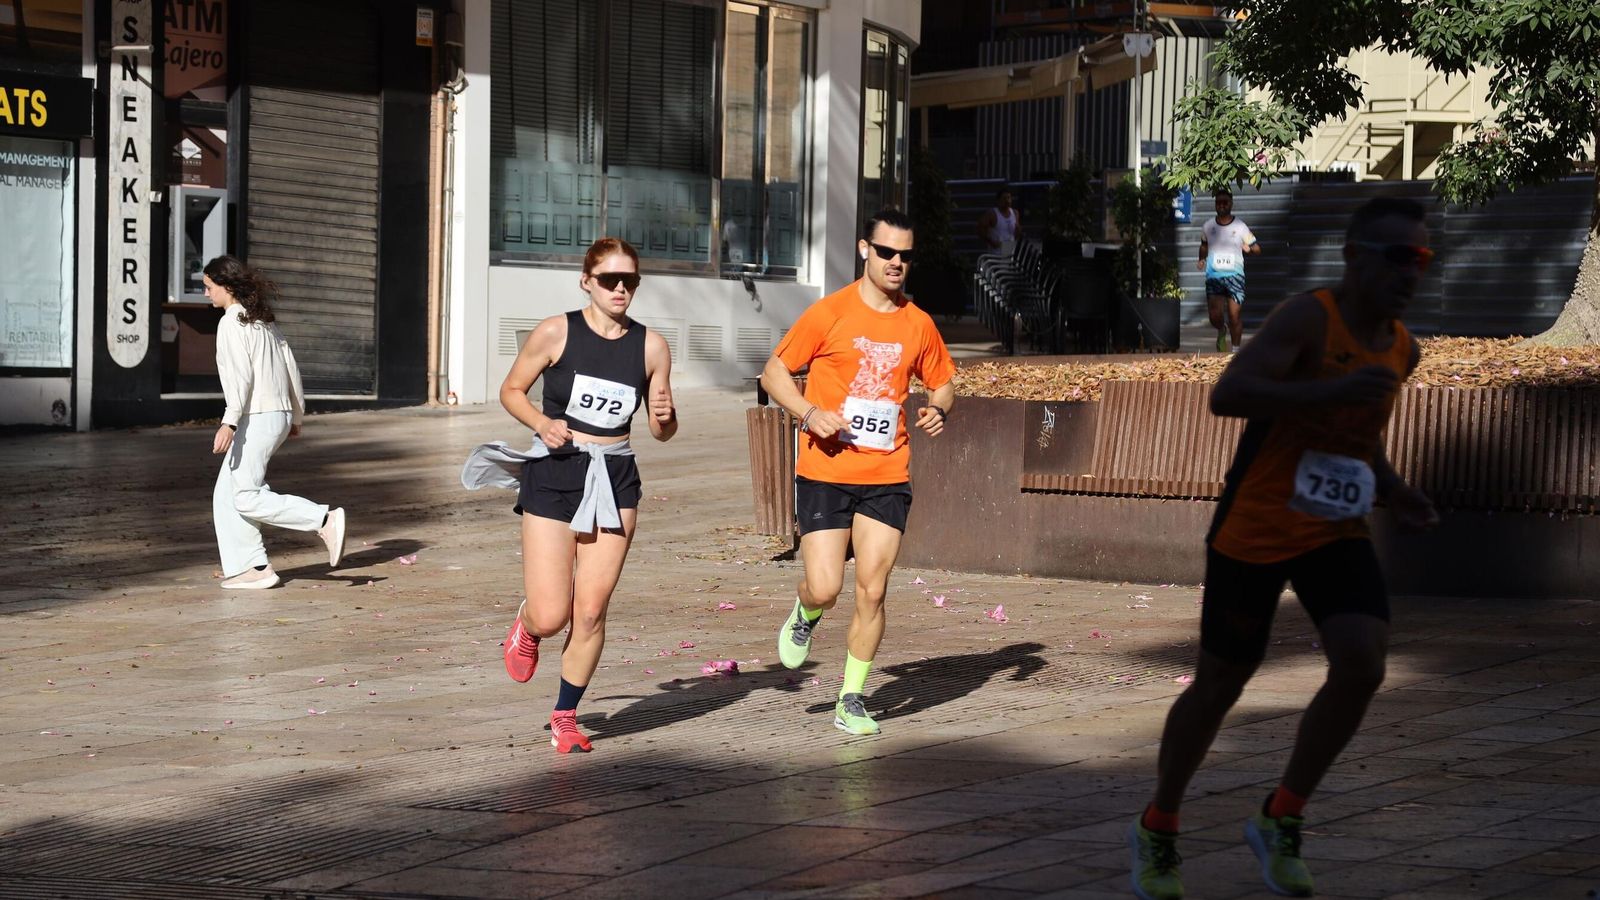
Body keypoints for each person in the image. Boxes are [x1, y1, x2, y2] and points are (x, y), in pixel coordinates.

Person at [1129, 197, 1441, 900]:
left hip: (1335, 527)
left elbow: (1358, 438)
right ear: (1355, 257)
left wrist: (1395, 488)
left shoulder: (1401, 346)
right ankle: (1159, 824)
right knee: (1220, 685)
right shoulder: (1309, 317)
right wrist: (1329, 386)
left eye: (1421, 257)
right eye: (1398, 256)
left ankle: (1282, 815)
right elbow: (1229, 393)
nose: (1411, 272)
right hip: (1258, 528)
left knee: (1362, 665)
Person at [462, 237, 677, 754]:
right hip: (556, 474)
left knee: (591, 611)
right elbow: (511, 390)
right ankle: (529, 625)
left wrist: (665, 418)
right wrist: (542, 422)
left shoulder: (651, 346)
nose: (621, 288)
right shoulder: (557, 331)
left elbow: (662, 428)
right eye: (609, 280)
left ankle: (565, 715)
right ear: (587, 281)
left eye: (630, 280)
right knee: (554, 612)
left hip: (616, 477)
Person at [760, 208, 957, 736]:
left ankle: (851, 697)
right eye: (887, 252)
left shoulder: (917, 323)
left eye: (906, 255)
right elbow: (774, 372)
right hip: (825, 468)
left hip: (888, 472)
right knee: (825, 586)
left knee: (873, 588)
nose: (897, 263)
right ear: (865, 250)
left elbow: (943, 381)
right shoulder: (830, 313)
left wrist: (939, 407)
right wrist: (808, 412)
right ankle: (806, 614)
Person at [206, 255, 346, 590]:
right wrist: (295, 416)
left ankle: (323, 520)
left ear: (227, 287)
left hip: (257, 416)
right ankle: (252, 568)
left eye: (209, 287)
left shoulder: (231, 322)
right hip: (275, 414)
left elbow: (240, 377)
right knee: (226, 494)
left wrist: (229, 421)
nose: (206, 294)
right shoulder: (263, 321)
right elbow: (290, 367)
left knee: (245, 495)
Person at [1198, 188, 1261, 353]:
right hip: (1214, 276)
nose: (1221, 205)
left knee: (1234, 316)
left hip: (1235, 276)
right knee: (1214, 316)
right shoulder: (1208, 226)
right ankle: (1221, 330)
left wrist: (1249, 249)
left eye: (1225, 202)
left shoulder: (1240, 227)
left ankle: (1235, 351)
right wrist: (1201, 259)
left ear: (1231, 203)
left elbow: (1257, 249)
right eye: (1218, 202)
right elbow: (1204, 245)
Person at [977, 188, 1021, 254]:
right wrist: (990, 241)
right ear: (998, 201)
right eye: (1004, 198)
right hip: (996, 251)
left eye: (1009, 198)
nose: (1007, 201)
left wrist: (1018, 230)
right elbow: (979, 229)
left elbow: (1017, 233)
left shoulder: (1015, 213)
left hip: (1009, 250)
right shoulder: (992, 214)